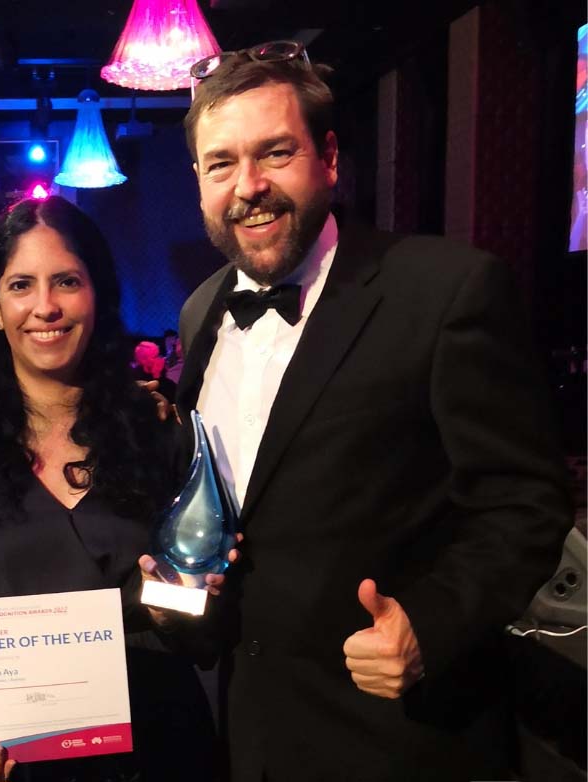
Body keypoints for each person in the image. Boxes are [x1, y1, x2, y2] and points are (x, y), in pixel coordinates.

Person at [175, 41, 573, 782]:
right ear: (198, 181)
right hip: (252, 732)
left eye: (275, 153)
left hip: (401, 741)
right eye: (221, 163)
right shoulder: (200, 312)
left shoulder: (444, 291)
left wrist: (430, 625)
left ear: (329, 158)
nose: (248, 186)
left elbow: (525, 505)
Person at [0, 196, 223, 782]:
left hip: (159, 748)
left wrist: (183, 606)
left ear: (97, 294)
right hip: (11, 765)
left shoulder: (161, 433)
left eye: (67, 281)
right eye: (21, 285)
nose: (44, 307)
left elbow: (204, 621)